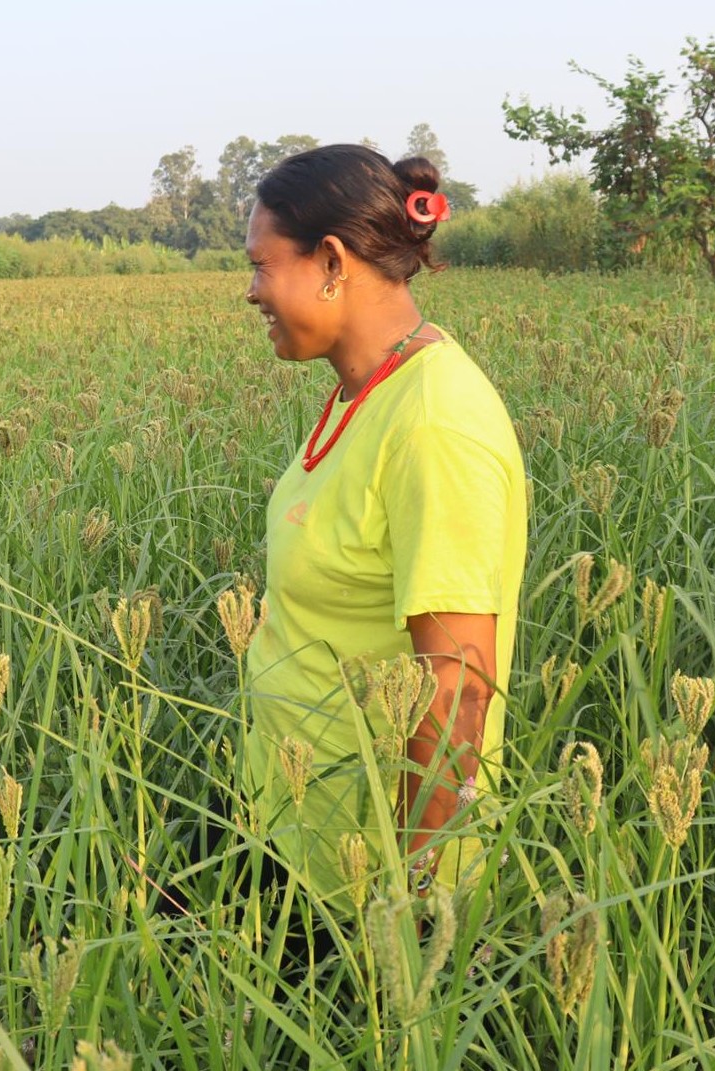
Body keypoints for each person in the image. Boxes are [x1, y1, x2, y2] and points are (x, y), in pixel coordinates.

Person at [240, 144, 528, 907]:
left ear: (331, 260)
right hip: (299, 830)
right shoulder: (363, 391)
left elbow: (456, 684)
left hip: (366, 879)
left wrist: (411, 906)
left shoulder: (435, 422)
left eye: (262, 265)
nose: (251, 292)